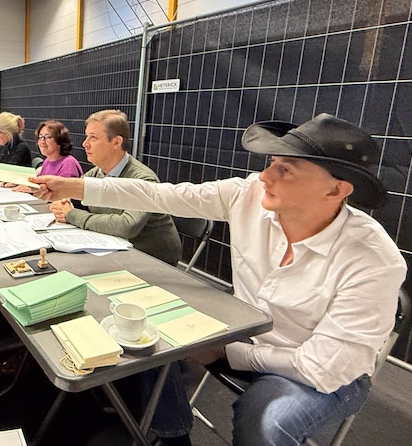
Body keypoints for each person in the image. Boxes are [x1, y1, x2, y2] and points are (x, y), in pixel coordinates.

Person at [31, 113, 406, 446]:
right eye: (271, 163)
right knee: (146, 327)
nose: (265, 176)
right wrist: (74, 187)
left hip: (319, 374)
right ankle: (173, 434)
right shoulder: (249, 195)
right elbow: (162, 195)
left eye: (286, 170)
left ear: (337, 189)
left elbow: (323, 368)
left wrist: (227, 352)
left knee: (266, 420)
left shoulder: (372, 260)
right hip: (247, 333)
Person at [49, 110, 181, 266]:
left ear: (116, 142)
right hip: (116, 248)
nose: (85, 144)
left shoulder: (143, 179)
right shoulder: (98, 172)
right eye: (86, 136)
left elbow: (127, 226)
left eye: (93, 137)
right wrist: (62, 202)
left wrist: (71, 214)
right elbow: (72, 193)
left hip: (154, 259)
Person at [10, 119, 83, 192]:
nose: (42, 141)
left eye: (47, 137)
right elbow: (40, 185)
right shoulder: (47, 161)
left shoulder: (69, 163)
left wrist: (34, 190)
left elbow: (64, 193)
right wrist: (19, 183)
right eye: (40, 137)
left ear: (60, 141)